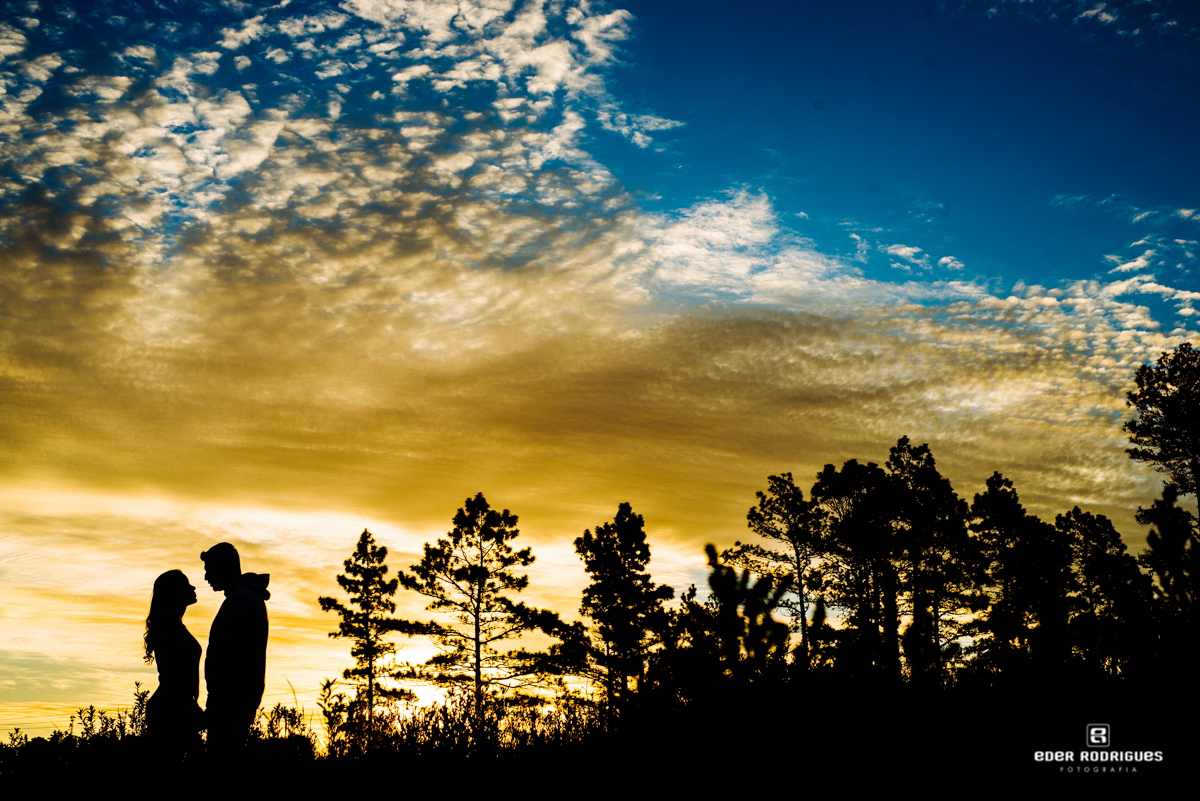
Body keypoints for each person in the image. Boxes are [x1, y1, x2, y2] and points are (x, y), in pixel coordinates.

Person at [201, 542, 270, 759]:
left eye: (209, 569)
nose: (206, 578)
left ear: (224, 567)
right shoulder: (240, 599)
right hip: (232, 704)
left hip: (230, 707)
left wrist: (216, 705)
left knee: (222, 765)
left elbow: (231, 659)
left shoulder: (241, 600)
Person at [143, 569, 204, 759]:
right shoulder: (168, 628)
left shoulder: (171, 626)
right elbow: (173, 677)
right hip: (171, 710)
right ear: (174, 592)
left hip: (174, 707)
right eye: (186, 584)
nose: (193, 587)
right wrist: (189, 706)